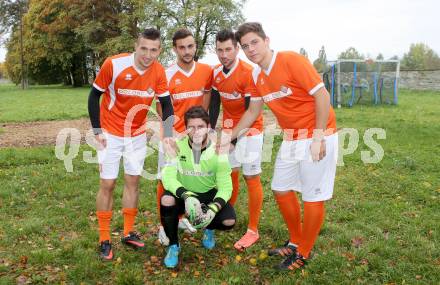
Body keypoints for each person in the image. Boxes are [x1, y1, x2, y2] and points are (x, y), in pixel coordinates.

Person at [230, 22, 338, 271]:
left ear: (266, 40)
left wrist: (319, 137)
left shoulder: (291, 60)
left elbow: (322, 96)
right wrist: (231, 137)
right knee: (280, 188)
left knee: (313, 195)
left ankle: (304, 252)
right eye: (245, 46)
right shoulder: (256, 75)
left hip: (317, 135)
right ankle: (296, 241)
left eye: (254, 42)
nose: (251, 49)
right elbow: (253, 111)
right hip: (291, 138)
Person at [88, 28, 174, 261]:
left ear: (159, 50)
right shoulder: (113, 64)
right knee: (108, 183)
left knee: (133, 181)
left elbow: (166, 103)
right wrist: (97, 129)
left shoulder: (158, 71)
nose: (148, 54)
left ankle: (127, 232)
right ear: (136, 45)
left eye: (153, 50)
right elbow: (94, 95)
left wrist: (167, 133)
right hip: (110, 132)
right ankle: (104, 239)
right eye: (144, 48)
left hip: (136, 133)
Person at [156, 28, 213, 245]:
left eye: (190, 46)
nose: (187, 51)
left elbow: (207, 94)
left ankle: (182, 218)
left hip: (196, 137)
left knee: (195, 178)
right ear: (174, 48)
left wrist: (202, 126)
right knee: (166, 180)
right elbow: (161, 108)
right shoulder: (166, 74)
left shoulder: (207, 71)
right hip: (174, 135)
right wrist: (170, 135)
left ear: (195, 46)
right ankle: (163, 225)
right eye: (182, 47)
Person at [160, 106, 235, 268]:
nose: (196, 132)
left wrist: (214, 208)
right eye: (191, 127)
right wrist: (186, 195)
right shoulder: (176, 146)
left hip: (208, 194)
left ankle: (208, 229)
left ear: (208, 127)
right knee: (166, 199)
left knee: (229, 221)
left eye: (200, 127)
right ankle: (173, 245)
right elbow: (168, 178)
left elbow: (226, 186)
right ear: (186, 129)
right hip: (184, 194)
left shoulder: (218, 150)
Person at [209, 29, 264, 250]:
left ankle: (253, 229)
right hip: (229, 130)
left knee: (251, 178)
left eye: (228, 49)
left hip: (250, 130)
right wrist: (212, 131)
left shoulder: (249, 72)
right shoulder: (215, 73)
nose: (224, 54)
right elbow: (214, 105)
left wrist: (233, 138)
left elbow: (251, 111)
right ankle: (226, 213)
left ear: (236, 48)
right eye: (220, 50)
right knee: (228, 176)